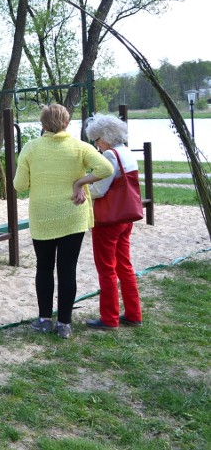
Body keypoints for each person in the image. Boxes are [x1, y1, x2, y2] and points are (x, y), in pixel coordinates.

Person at [13, 104, 113, 339]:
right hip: (73, 214)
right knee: (68, 269)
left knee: (44, 267)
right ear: (67, 123)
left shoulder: (31, 148)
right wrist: (80, 182)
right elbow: (106, 167)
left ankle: (44, 319)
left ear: (43, 125)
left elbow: (20, 185)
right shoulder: (80, 147)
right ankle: (65, 324)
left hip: (43, 215)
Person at [83, 114, 143, 330]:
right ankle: (134, 313)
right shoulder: (127, 152)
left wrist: (82, 187)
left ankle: (109, 318)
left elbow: (100, 190)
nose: (96, 144)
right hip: (126, 217)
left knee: (106, 268)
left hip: (109, 219)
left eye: (96, 139)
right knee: (125, 265)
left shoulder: (110, 155)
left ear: (105, 137)